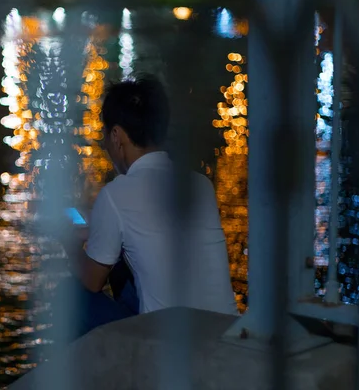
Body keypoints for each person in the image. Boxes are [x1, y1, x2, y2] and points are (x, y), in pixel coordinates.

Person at [53, 75, 237, 342]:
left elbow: (92, 282)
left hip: (169, 343)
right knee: (120, 259)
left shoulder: (116, 193)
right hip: (224, 332)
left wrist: (69, 243)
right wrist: (98, 230)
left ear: (116, 136)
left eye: (105, 136)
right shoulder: (200, 185)